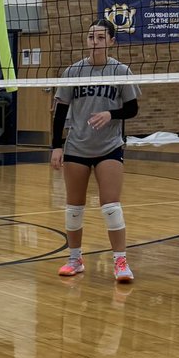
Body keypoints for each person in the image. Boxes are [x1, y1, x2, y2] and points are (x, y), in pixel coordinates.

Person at [51, 19, 140, 283]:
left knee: (111, 206)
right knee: (74, 208)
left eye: (101, 38)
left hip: (109, 147)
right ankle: (74, 259)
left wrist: (110, 113)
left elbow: (133, 109)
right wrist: (56, 145)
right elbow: (60, 111)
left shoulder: (121, 71)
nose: (95, 42)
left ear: (112, 41)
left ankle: (120, 261)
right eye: (91, 37)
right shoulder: (73, 72)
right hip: (77, 146)